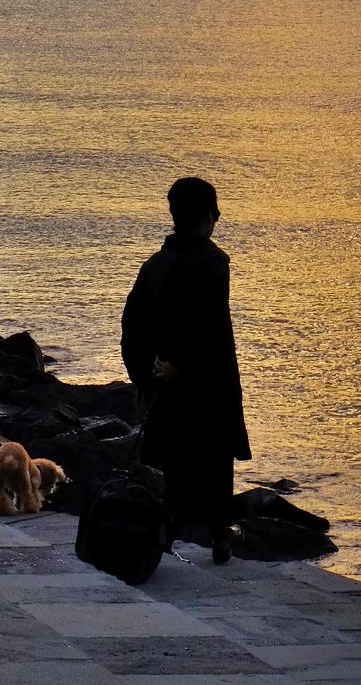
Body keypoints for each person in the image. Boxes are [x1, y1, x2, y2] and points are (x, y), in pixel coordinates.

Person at [120, 176, 250, 563]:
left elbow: (132, 326)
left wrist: (144, 376)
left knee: (176, 466)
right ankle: (219, 536)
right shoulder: (214, 263)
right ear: (209, 216)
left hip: (167, 388)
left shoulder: (154, 266)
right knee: (216, 462)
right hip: (209, 383)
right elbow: (211, 328)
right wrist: (187, 367)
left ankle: (169, 532)